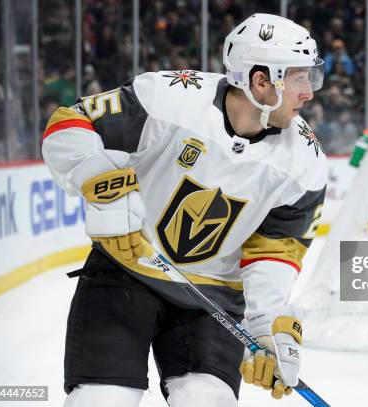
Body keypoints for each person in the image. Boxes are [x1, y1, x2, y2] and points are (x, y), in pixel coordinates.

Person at [42, 13, 326, 406]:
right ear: (263, 81)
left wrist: (266, 327)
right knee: (102, 399)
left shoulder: (305, 163)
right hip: (127, 272)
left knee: (205, 399)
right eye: (300, 78)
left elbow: (274, 252)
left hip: (212, 300)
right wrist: (100, 183)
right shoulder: (169, 98)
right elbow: (71, 124)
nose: (310, 92)